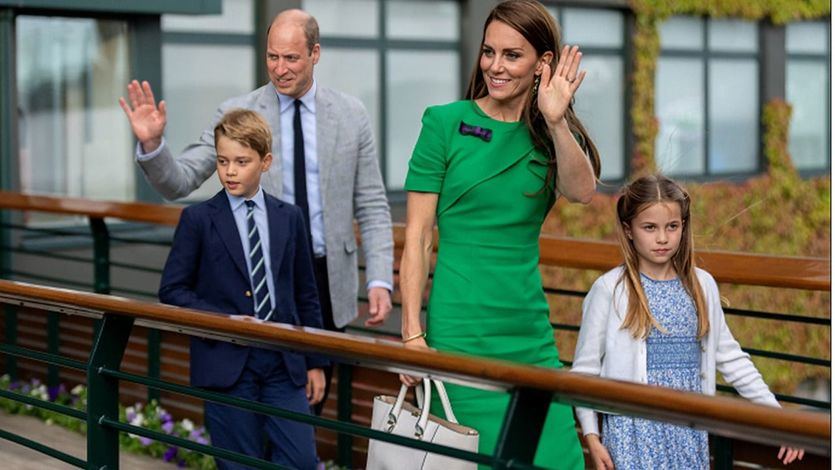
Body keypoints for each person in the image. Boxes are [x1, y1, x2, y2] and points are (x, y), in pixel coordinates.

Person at [118, 9, 393, 413]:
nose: (280, 69)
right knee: (252, 414)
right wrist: (152, 145)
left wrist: (381, 278)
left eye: (292, 58)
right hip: (259, 281)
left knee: (306, 409)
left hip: (324, 280)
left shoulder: (352, 114)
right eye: (272, 57)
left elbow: (371, 202)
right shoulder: (237, 113)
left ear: (315, 53)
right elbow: (178, 182)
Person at [398, 1, 600, 468]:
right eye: (489, 52)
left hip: (528, 333)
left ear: (542, 64)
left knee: (557, 459)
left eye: (512, 55)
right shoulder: (444, 123)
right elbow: (418, 237)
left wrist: (555, 120)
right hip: (459, 331)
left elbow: (583, 190)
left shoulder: (549, 135)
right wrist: (412, 335)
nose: (495, 66)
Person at [571, 174, 805, 470]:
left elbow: (731, 358)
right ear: (629, 230)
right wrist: (592, 436)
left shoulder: (701, 285)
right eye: (650, 228)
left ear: (684, 225)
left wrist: (778, 417)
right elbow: (584, 371)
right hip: (634, 434)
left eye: (672, 226)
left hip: (689, 429)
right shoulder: (610, 289)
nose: (662, 238)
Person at [159, 109, 325, 469]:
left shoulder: (289, 217)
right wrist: (227, 320)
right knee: (239, 463)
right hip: (226, 360)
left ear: (265, 162)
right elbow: (172, 290)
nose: (229, 171)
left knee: (301, 460)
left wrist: (315, 362)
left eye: (241, 161)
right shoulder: (198, 220)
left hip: (283, 361)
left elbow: (305, 293)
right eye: (222, 161)